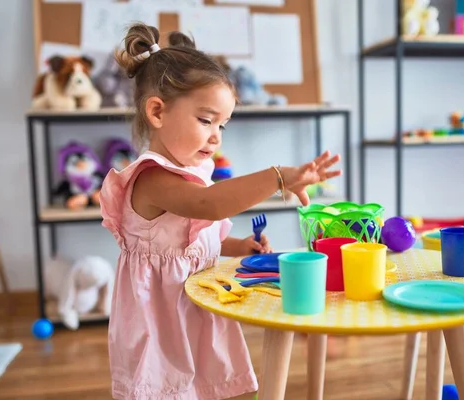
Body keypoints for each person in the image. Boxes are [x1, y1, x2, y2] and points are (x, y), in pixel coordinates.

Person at [99, 22, 342, 400]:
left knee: (205, 386)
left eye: (222, 124)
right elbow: (209, 207)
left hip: (195, 306)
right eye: (205, 120)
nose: (216, 135)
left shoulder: (192, 174)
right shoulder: (151, 178)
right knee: (166, 388)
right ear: (157, 112)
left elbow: (192, 237)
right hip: (159, 319)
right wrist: (278, 176)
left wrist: (238, 245)